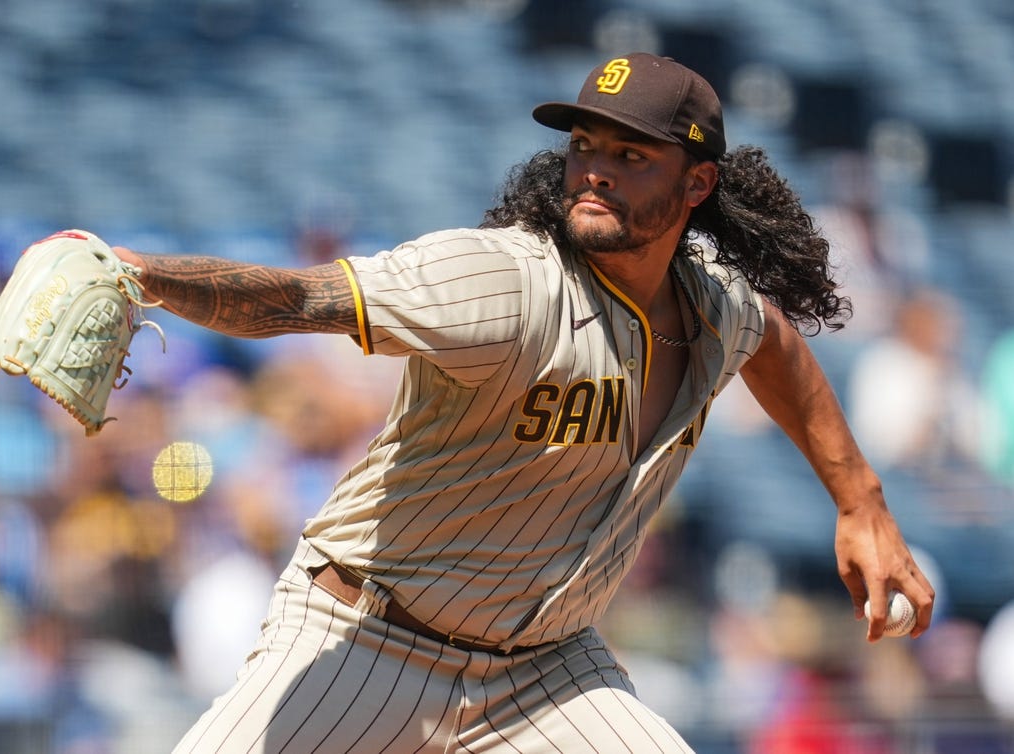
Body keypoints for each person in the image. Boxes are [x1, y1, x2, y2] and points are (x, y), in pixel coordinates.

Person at [112, 53, 935, 753]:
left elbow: (777, 343)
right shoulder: (504, 281)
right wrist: (140, 276)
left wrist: (859, 498)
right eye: (583, 144)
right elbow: (301, 297)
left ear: (699, 183)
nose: (595, 168)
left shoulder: (714, 305)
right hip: (367, 637)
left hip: (545, 671)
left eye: (632, 153)